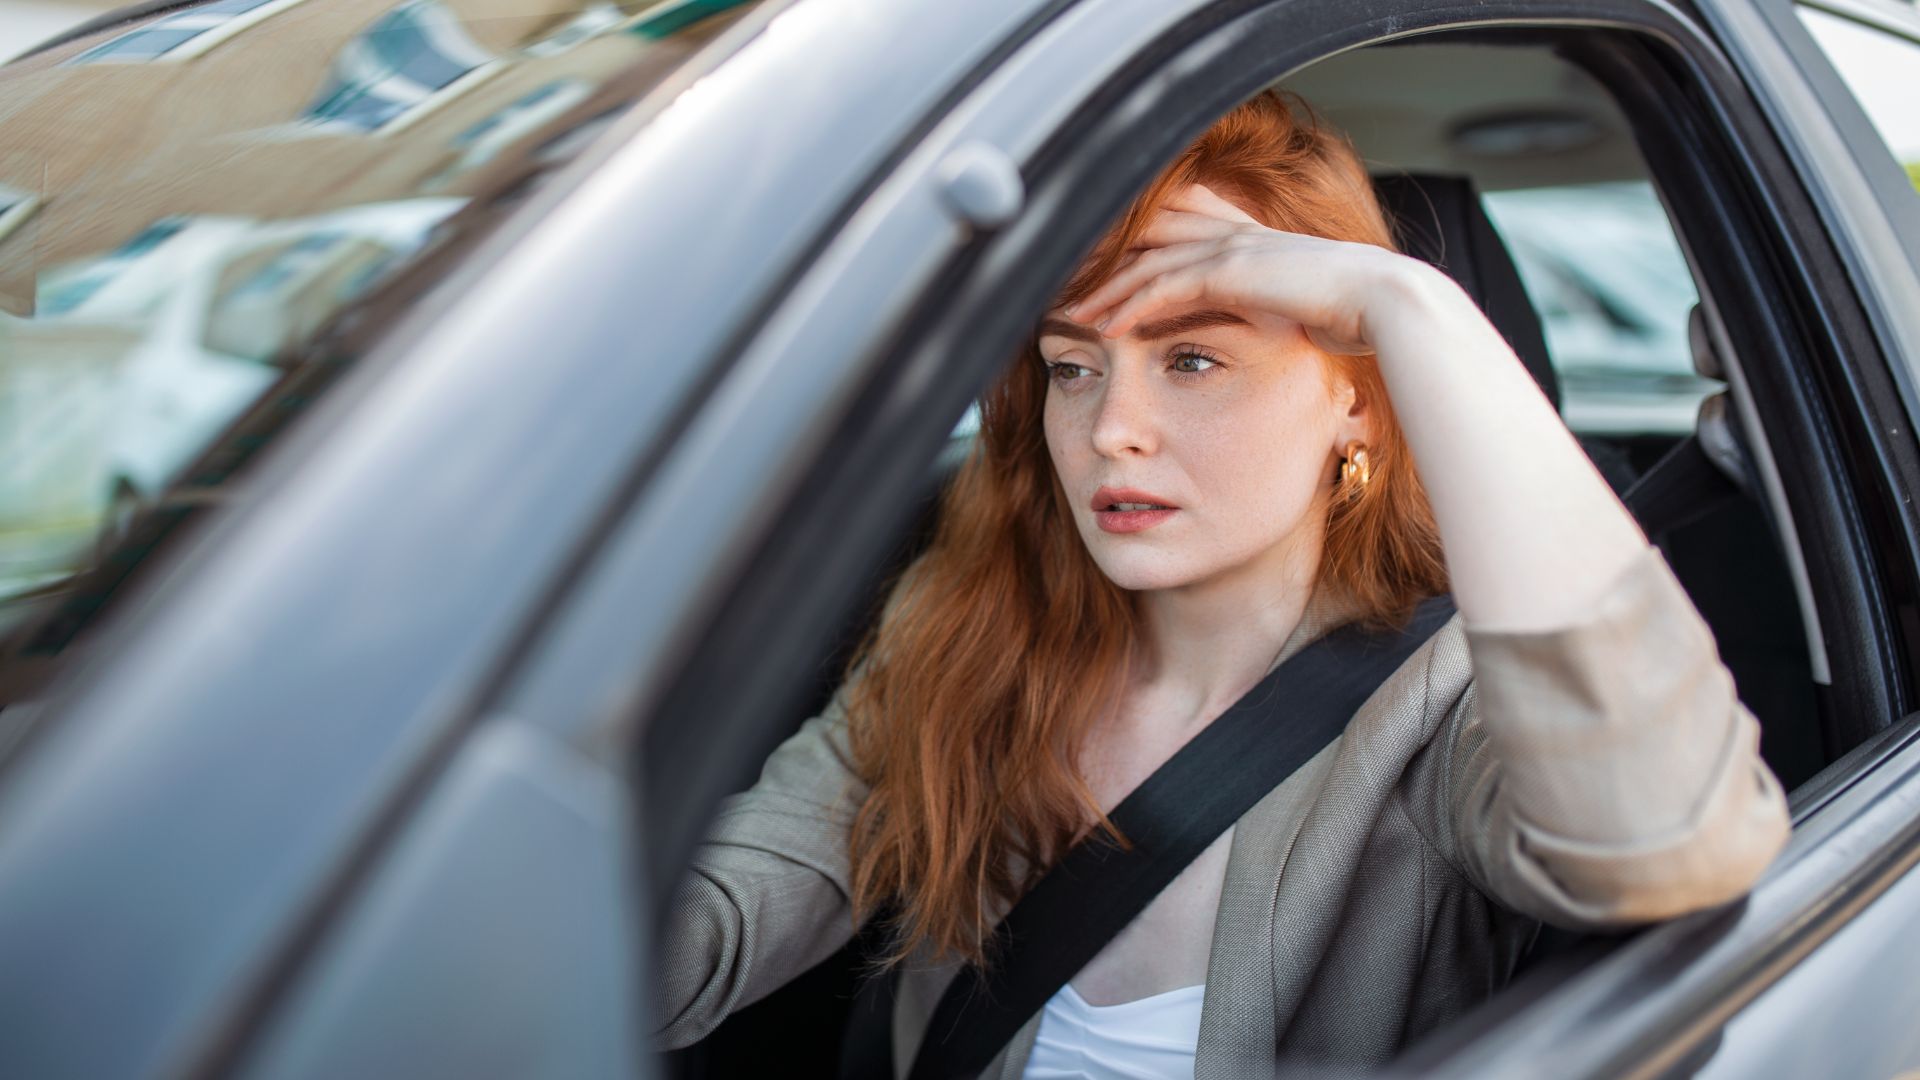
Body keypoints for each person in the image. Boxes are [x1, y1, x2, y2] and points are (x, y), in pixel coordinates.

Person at [653, 89, 1792, 1079]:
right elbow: (704, 929)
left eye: (1193, 357)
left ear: (1356, 397)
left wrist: (1415, 306)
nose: (1113, 432)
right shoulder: (966, 636)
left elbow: (1666, 842)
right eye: (1072, 367)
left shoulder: (1446, 709)